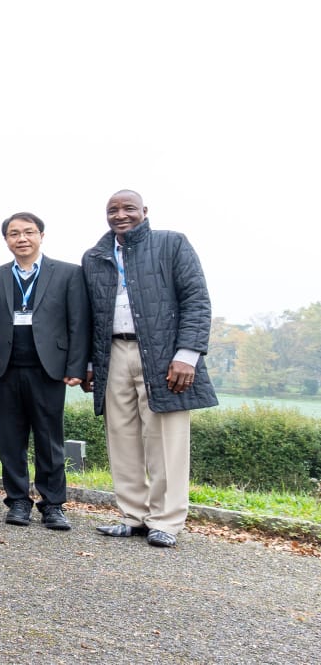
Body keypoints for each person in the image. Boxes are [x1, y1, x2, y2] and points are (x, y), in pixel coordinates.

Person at [81, 190, 215, 548]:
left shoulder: (171, 244)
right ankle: (133, 514)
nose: (120, 215)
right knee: (121, 437)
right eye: (113, 210)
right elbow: (90, 315)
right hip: (113, 352)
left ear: (144, 211)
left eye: (128, 208)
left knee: (165, 440)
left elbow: (197, 300)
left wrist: (187, 355)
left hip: (162, 354)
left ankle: (166, 521)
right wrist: (92, 361)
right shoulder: (95, 256)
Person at [0, 212, 89, 531]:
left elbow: (78, 324)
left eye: (28, 232)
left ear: (41, 235)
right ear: (6, 240)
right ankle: (18, 502)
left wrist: (76, 367)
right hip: (4, 370)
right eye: (14, 234)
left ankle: (52, 505)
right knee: (11, 439)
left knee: (50, 439)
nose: (21, 238)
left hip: (48, 370)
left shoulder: (67, 273)